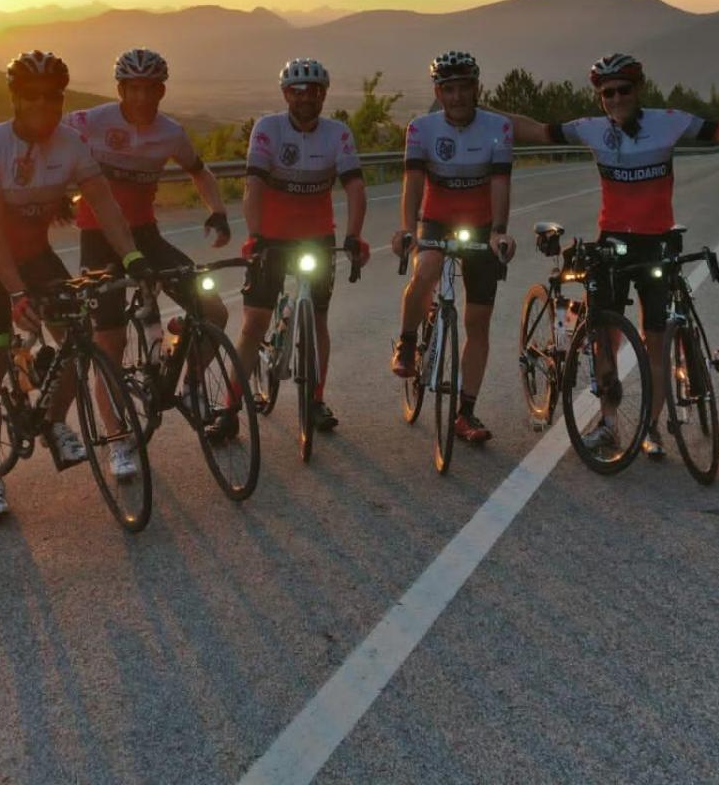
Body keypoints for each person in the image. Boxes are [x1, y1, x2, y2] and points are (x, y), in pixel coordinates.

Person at [498, 53, 719, 454]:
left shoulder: (668, 122)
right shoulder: (591, 129)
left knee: (656, 338)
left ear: (638, 89)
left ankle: (650, 427)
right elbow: (537, 130)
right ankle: (610, 424)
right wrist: (480, 108)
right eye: (606, 93)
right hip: (611, 241)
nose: (615, 98)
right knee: (604, 338)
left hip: (657, 241)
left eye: (623, 90)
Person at [0, 50, 149, 520]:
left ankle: (54, 421)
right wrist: (17, 293)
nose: (44, 104)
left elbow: (105, 206)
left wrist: (134, 258)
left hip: (35, 254)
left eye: (54, 96)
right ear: (15, 99)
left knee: (76, 341)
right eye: (32, 96)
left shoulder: (71, 144)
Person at [68, 48, 235, 479]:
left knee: (212, 307)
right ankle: (118, 441)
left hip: (146, 236)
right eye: (134, 88)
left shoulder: (170, 132)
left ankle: (193, 382)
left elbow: (200, 171)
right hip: (98, 241)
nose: (142, 96)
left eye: (151, 88)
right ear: (121, 89)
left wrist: (216, 209)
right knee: (109, 343)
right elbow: (47, 146)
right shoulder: (91, 122)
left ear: (162, 89)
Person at [232, 58, 369, 433]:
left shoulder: (337, 133)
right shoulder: (268, 128)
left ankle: (316, 400)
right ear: (285, 94)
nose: (306, 97)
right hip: (270, 237)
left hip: (317, 236)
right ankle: (228, 408)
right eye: (298, 91)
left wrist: (354, 236)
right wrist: (254, 234)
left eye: (315, 91)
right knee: (255, 322)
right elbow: (254, 186)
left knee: (319, 319)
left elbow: (355, 187)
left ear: (324, 94)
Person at [388, 51, 516, 443]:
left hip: (480, 227)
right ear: (438, 92)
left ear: (477, 88)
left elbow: (500, 184)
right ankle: (408, 343)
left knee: (477, 323)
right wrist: (407, 229)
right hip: (436, 220)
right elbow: (413, 183)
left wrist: (498, 232)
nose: (458, 96)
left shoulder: (498, 128)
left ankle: (466, 413)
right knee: (425, 269)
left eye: (465, 88)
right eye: (449, 89)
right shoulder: (421, 129)